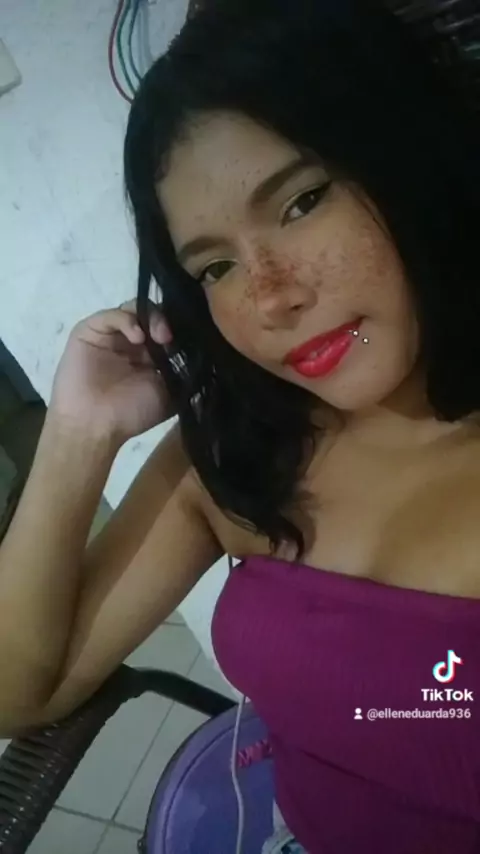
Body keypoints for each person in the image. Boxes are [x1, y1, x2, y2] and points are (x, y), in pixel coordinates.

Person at [1, 0, 479, 850]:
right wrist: (78, 435)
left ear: (408, 157)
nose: (269, 297)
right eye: (215, 266)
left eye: (301, 203)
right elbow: (18, 694)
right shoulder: (239, 448)